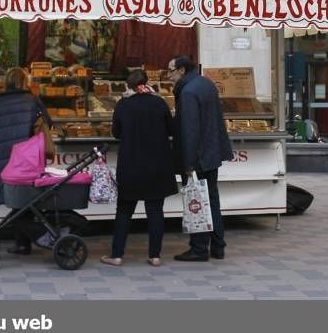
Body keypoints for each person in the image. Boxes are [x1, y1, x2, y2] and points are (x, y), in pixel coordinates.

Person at [100, 69, 177, 268]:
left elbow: (116, 132)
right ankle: (155, 256)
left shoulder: (123, 105)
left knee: (124, 211)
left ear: (128, 86)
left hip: (131, 166)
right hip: (157, 165)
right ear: (146, 82)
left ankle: (117, 255)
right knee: (155, 211)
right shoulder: (159, 103)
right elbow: (172, 129)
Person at [168, 55, 233, 262]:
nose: (168, 76)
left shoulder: (187, 92)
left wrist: (188, 163)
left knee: (196, 200)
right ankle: (218, 245)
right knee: (211, 199)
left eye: (170, 71)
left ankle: (198, 248)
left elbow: (189, 130)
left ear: (181, 70)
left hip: (197, 157)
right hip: (211, 152)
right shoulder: (205, 84)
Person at [0, 67, 52, 255]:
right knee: (29, 198)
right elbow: (47, 123)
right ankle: (34, 238)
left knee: (16, 199)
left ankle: (23, 243)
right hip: (29, 157)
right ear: (25, 82)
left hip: (7, 157)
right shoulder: (32, 101)